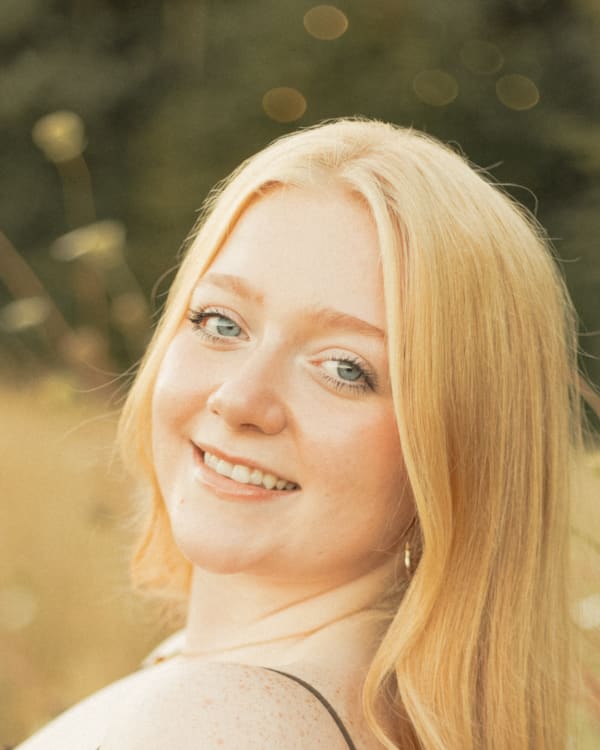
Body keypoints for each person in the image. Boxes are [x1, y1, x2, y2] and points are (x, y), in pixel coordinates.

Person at [17, 118, 588, 749]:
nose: (240, 400)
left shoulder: (216, 724)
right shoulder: (287, 702)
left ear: (457, 453)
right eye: (221, 322)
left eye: (345, 368)